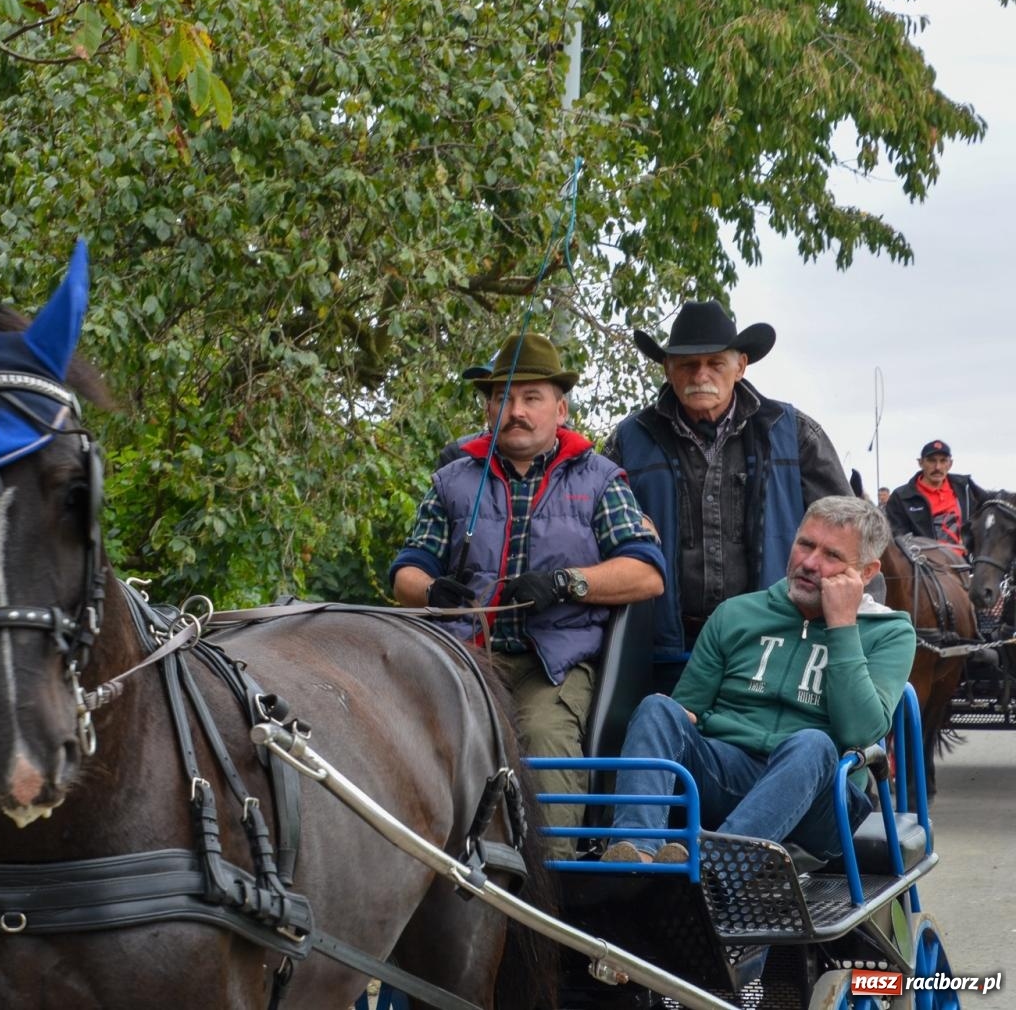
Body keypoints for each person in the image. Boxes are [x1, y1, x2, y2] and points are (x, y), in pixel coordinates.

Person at [390, 332, 665, 858]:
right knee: (419, 736)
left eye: (530, 398)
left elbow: (646, 572)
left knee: (541, 737)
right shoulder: (452, 480)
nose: (514, 410)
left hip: (555, 666)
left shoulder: (601, 479)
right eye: (502, 398)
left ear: (560, 409)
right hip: (466, 660)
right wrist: (432, 588)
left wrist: (568, 582)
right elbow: (407, 571)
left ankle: (556, 884)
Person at [603, 496, 915, 864]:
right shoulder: (737, 614)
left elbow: (859, 734)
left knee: (813, 743)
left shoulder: (890, 632)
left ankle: (717, 871)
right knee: (658, 707)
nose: (810, 563)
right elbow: (686, 710)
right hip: (729, 773)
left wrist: (842, 627)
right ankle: (635, 855)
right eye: (805, 544)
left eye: (832, 555)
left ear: (865, 573)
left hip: (823, 801)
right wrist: (676, 721)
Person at [605, 301, 852, 677]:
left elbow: (849, 532)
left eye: (715, 363)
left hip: (775, 645)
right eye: (688, 363)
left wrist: (858, 621)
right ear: (668, 370)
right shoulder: (629, 439)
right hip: (660, 651)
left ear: (740, 367)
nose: (701, 374)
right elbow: (595, 527)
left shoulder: (792, 432)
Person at [884, 439, 988, 553]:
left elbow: (991, 505)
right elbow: (898, 537)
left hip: (966, 564)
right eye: (931, 461)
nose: (937, 467)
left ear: (950, 464)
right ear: (920, 463)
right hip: (923, 564)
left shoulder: (966, 488)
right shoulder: (902, 497)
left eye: (943, 461)